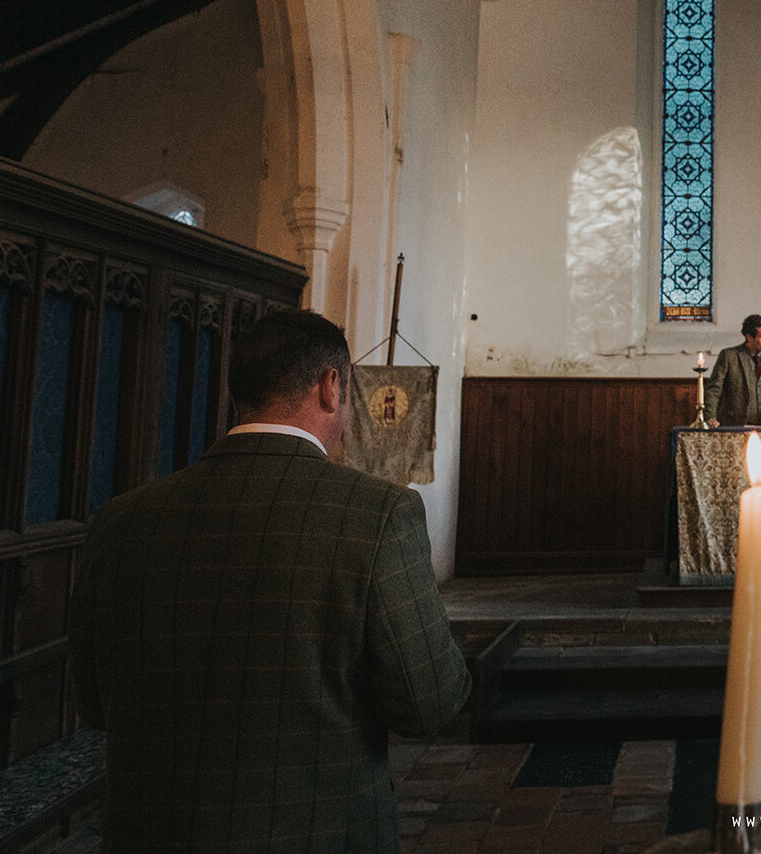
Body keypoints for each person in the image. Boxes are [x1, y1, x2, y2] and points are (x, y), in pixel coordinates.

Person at [68, 309, 471, 851]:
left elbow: (93, 702)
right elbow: (429, 704)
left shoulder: (122, 519)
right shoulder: (377, 515)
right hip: (316, 833)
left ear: (241, 392)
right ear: (332, 386)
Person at [703, 313, 761, 428]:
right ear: (749, 337)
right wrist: (710, 417)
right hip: (734, 424)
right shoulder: (729, 356)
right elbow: (713, 390)